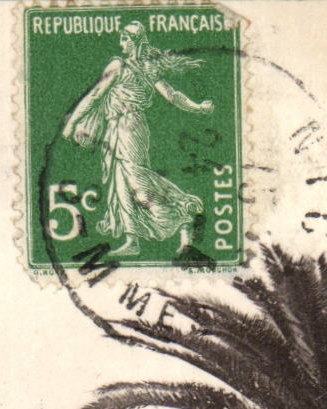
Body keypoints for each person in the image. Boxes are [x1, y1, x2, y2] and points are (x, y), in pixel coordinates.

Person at [61, 21, 214, 257]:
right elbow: (171, 96)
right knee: (121, 182)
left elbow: (95, 95)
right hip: (116, 127)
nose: (121, 44)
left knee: (136, 179)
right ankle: (132, 240)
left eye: (125, 39)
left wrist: (198, 108)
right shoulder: (139, 68)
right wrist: (198, 107)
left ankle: (185, 212)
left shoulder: (127, 66)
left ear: (136, 43)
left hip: (130, 128)